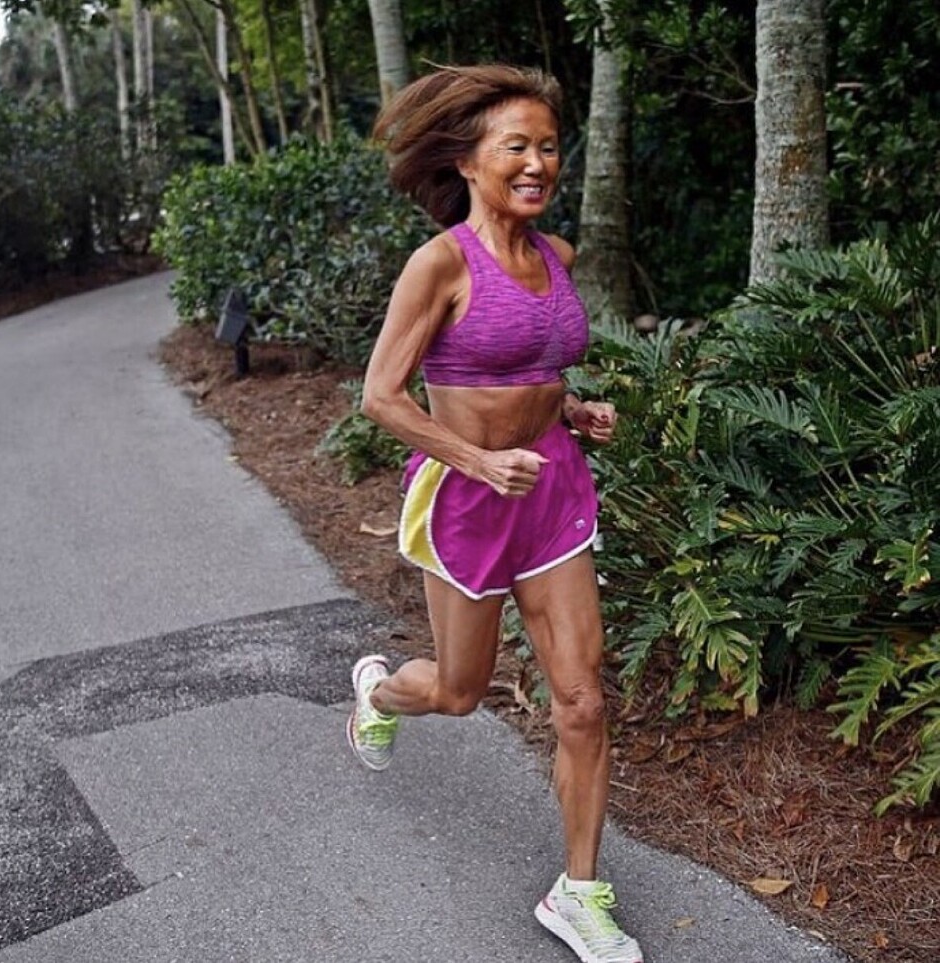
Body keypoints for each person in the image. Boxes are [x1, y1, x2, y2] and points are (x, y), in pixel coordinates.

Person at [346, 64, 643, 963]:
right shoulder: (441, 263)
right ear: (469, 161)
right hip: (468, 499)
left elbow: (536, 368)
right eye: (517, 146)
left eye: (548, 146)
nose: (537, 163)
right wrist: (477, 459)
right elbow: (381, 397)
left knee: (582, 698)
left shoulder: (558, 257)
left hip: (550, 491)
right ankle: (378, 693)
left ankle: (578, 892)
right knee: (459, 691)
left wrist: (573, 408)